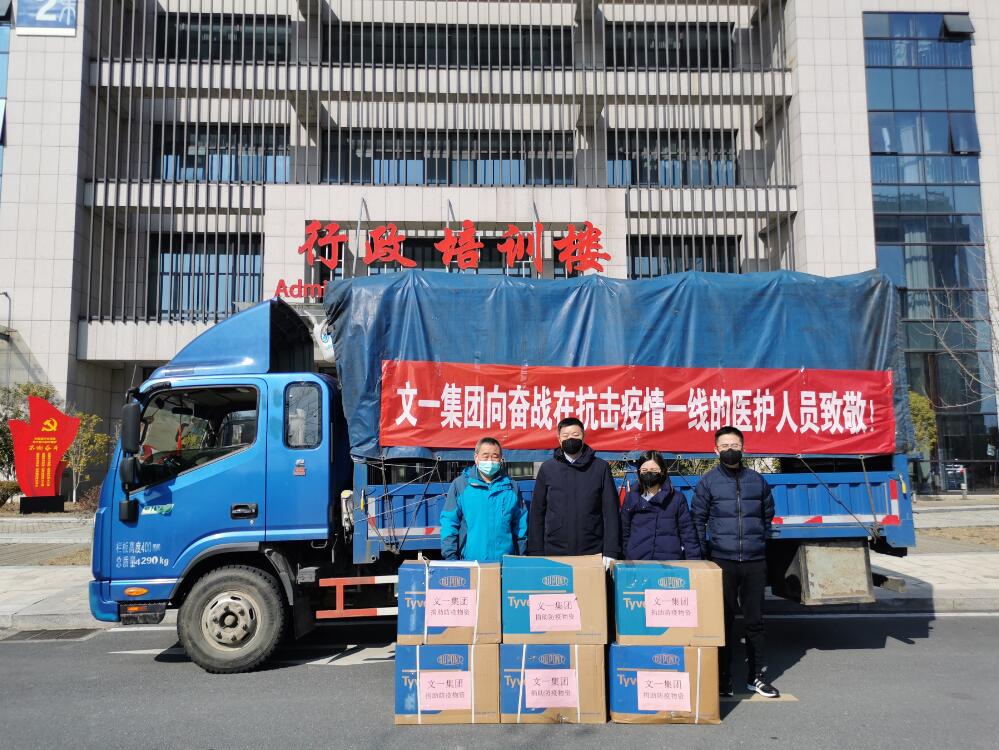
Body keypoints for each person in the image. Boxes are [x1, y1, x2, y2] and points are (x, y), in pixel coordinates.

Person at [691, 426, 779, 699]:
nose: (730, 450)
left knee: (755, 622)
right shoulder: (708, 482)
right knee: (723, 621)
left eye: (735, 445)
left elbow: (767, 514)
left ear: (743, 447)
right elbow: (698, 520)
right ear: (715, 450)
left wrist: (758, 541)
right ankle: (723, 678)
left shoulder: (757, 481)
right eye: (725, 446)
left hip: (754, 561)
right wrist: (705, 556)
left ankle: (757, 677)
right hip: (722, 561)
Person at [527, 417, 621, 559]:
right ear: (559, 439)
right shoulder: (548, 468)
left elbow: (610, 512)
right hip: (555, 550)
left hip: (593, 549)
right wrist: (536, 551)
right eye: (565, 435)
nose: (570, 439)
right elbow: (537, 512)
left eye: (575, 435)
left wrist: (611, 551)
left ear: (583, 436)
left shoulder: (600, 467)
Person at [440, 437, 528, 562]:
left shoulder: (511, 487)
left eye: (495, 456)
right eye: (485, 456)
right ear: (476, 458)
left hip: (504, 562)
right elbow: (449, 522)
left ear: (501, 459)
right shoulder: (461, 485)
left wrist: (521, 557)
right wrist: (450, 557)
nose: (490, 461)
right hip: (471, 562)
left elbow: (520, 525)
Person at [620, 451, 701, 561]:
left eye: (654, 470)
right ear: (639, 472)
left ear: (662, 471)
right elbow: (624, 531)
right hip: (637, 561)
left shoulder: (677, 498)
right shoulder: (631, 497)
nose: (649, 473)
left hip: (670, 562)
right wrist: (626, 555)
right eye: (644, 470)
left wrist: (694, 561)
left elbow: (688, 533)